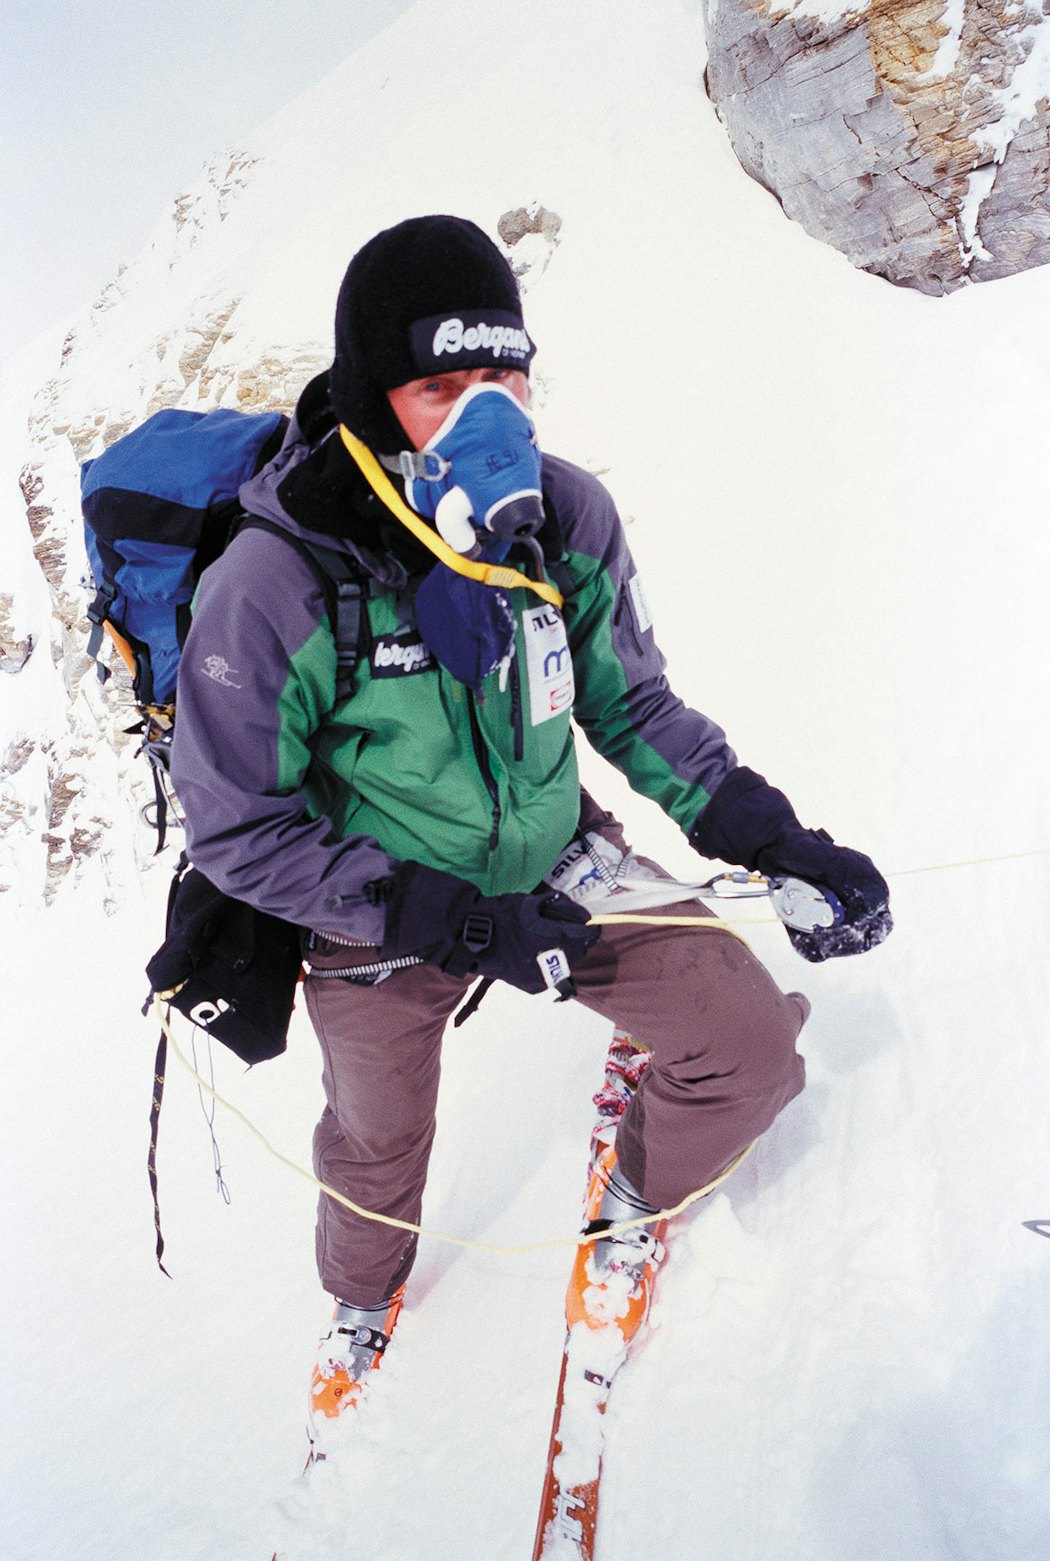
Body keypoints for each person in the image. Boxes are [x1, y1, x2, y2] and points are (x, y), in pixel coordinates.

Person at [169, 214, 891, 1450]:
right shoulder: (278, 579)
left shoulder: (564, 518)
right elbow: (240, 832)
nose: (483, 413)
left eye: (503, 377)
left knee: (754, 1047)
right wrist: (435, 913)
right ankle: (359, 1299)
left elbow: (634, 705)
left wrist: (774, 838)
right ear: (366, 395)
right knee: (378, 1139)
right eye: (439, 384)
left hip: (557, 862)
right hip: (380, 915)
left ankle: (635, 1188)